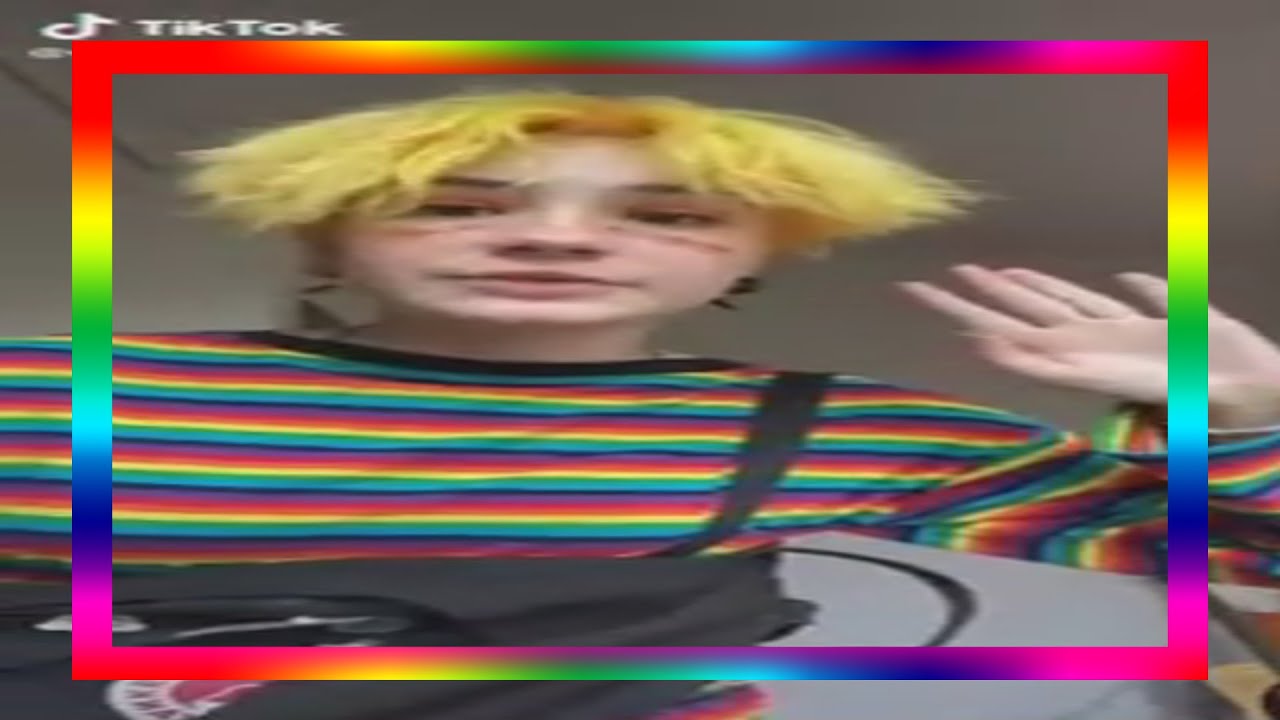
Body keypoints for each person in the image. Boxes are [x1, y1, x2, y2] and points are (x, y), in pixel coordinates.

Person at [2, 90, 1277, 720]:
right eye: (457, 203)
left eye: (665, 215)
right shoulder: (52, 388)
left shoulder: (848, 428)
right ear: (323, 237)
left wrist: (1239, 415)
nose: (557, 238)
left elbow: (1235, 566)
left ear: (751, 258)